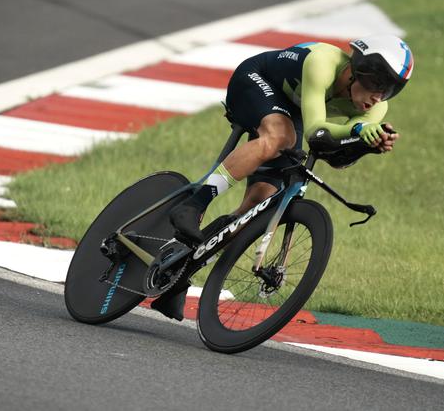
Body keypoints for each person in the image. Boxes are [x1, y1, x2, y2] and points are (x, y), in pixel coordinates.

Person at [151, 34, 413, 320]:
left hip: (291, 111)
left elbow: (334, 155)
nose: (379, 97)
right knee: (280, 137)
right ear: (361, 69)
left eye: (389, 91)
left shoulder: (376, 109)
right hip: (256, 79)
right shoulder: (323, 63)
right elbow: (316, 130)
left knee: (257, 206)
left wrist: (366, 146)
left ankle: (181, 272)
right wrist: (355, 131)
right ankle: (193, 204)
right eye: (378, 85)